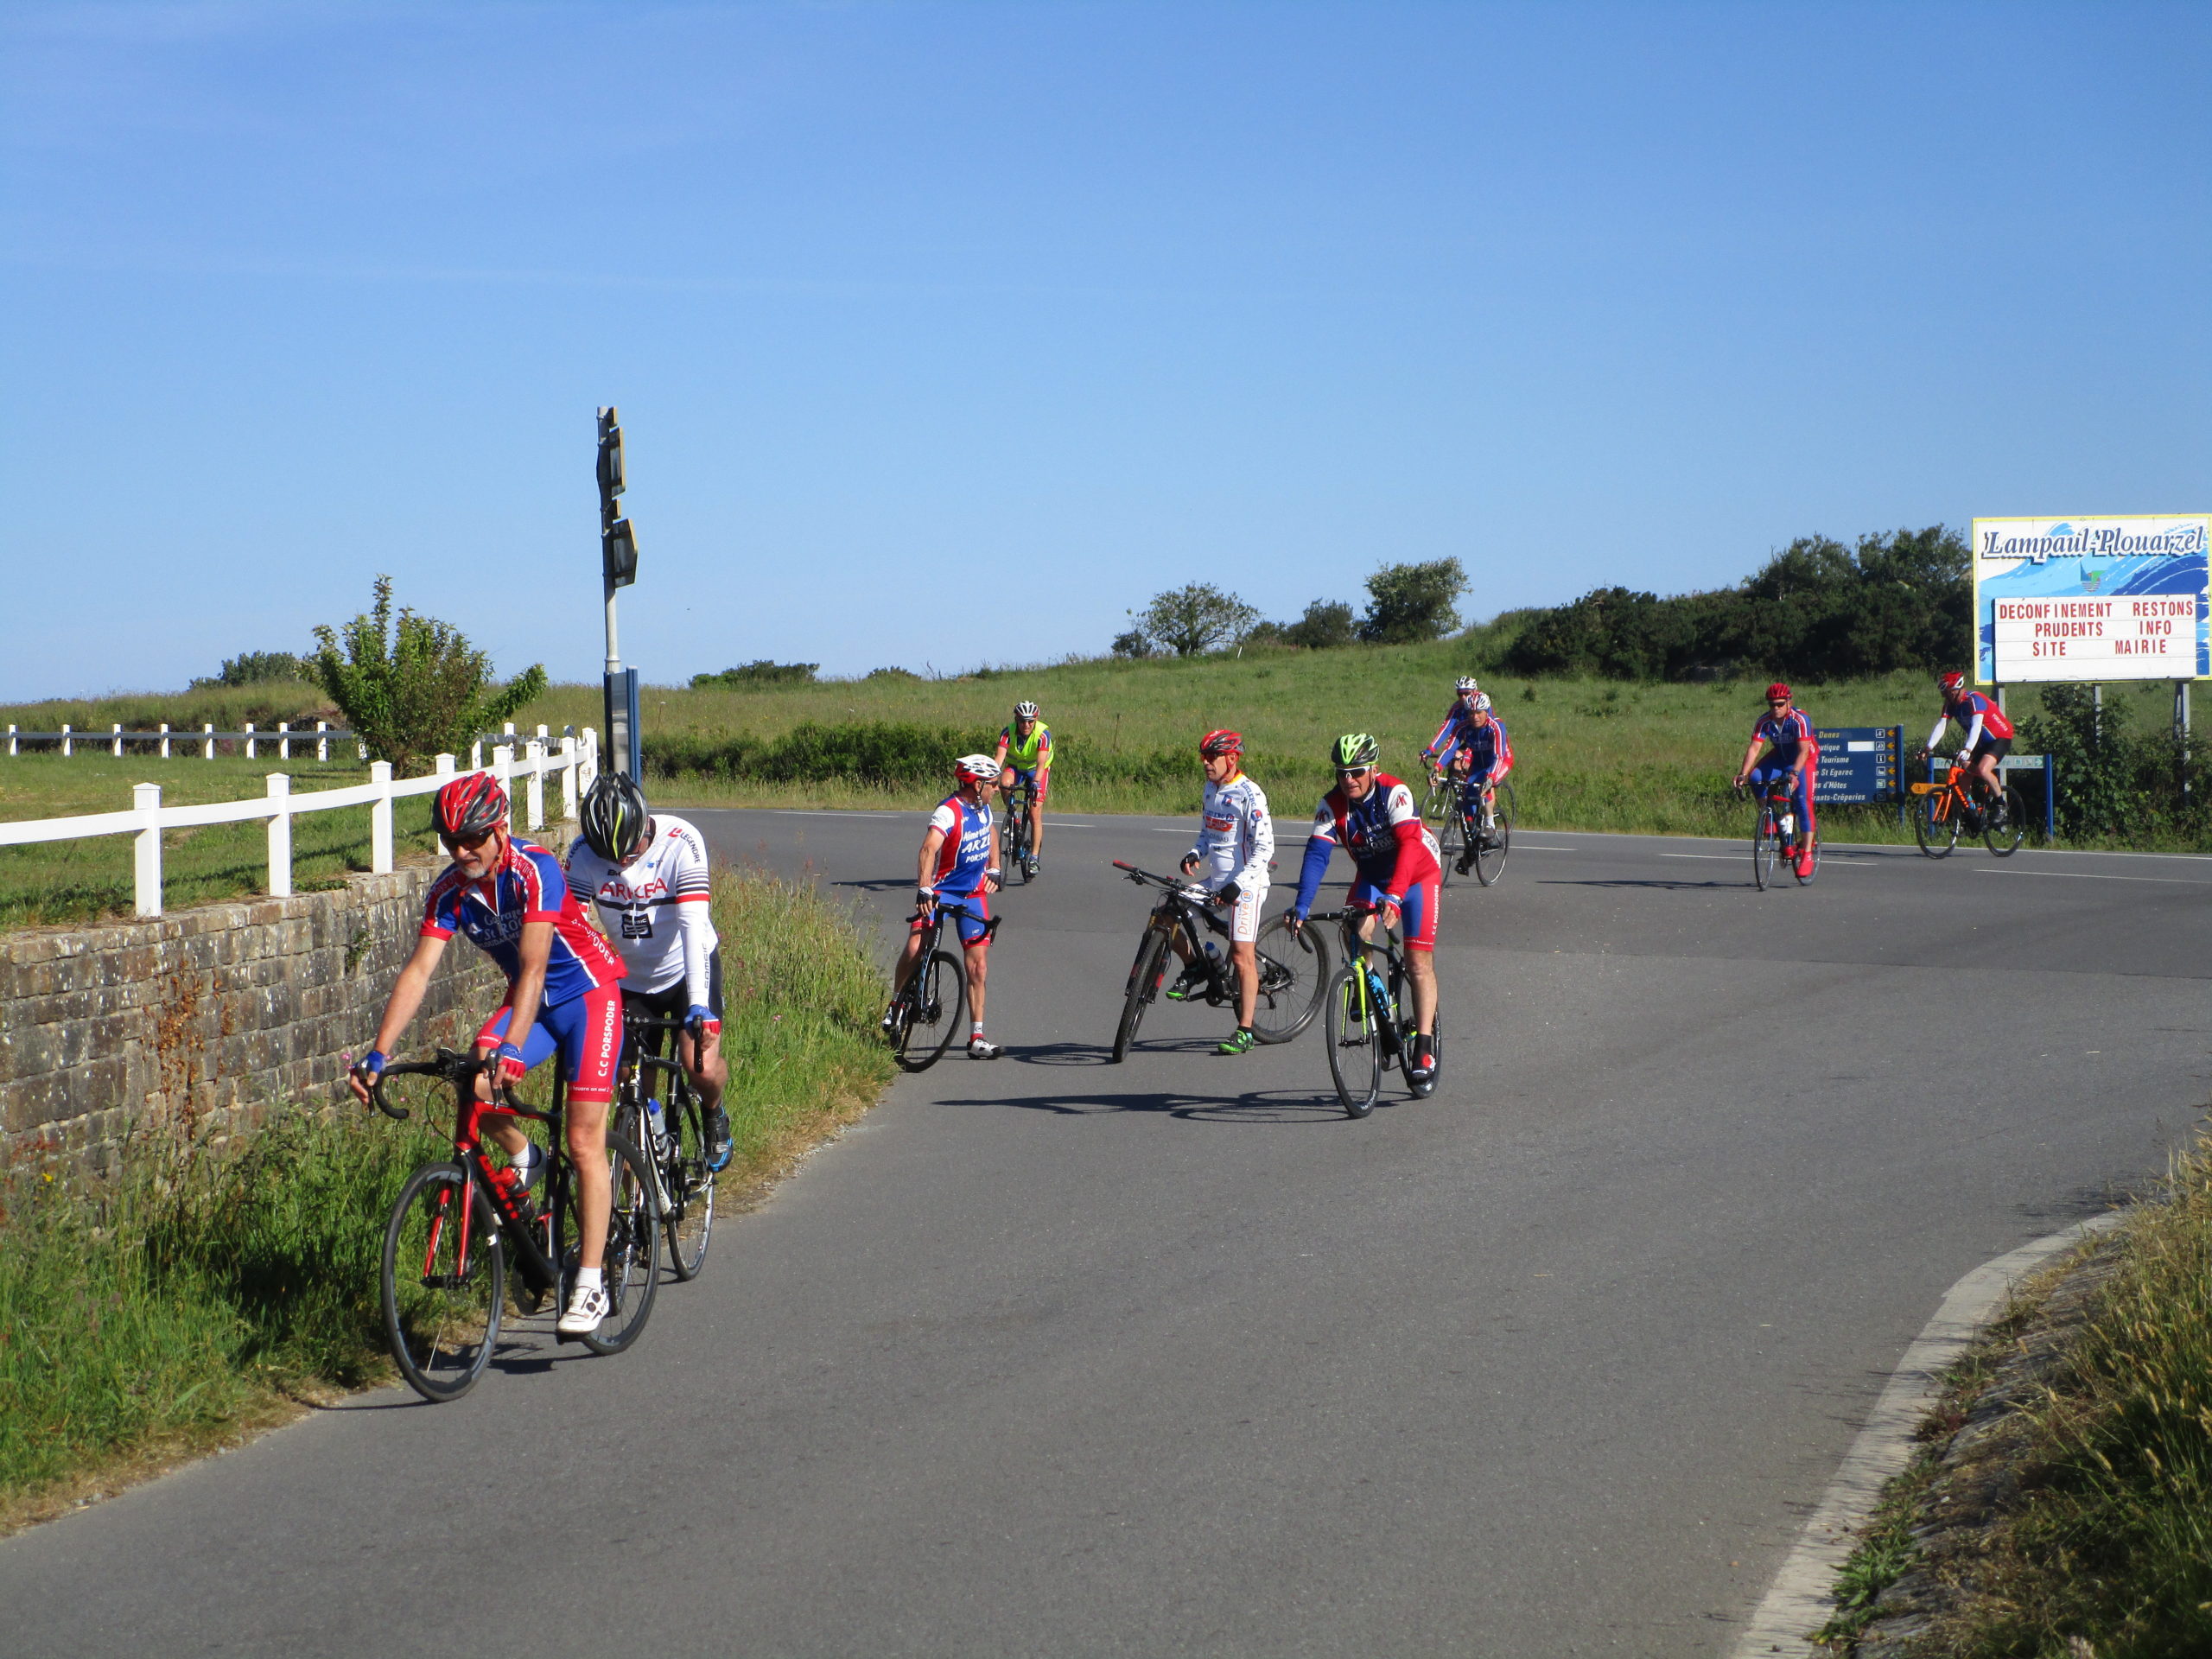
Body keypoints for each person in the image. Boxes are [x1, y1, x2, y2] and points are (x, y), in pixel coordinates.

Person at [348, 772, 627, 1336]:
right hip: (534, 1003)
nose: (461, 851)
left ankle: (591, 1283)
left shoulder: (536, 869)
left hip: (588, 996)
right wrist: (377, 1054)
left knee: (582, 1138)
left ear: (500, 829)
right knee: (473, 1078)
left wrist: (516, 1047)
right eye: (451, 840)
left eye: (473, 837)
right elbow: (419, 970)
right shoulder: (450, 890)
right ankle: (527, 1159)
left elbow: (533, 966)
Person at [567, 771, 733, 1172]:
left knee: (701, 1066)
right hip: (629, 980)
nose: (622, 865)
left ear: (644, 825)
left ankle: (715, 1113)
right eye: (611, 858)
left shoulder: (682, 841)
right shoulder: (582, 854)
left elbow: (694, 926)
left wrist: (697, 1005)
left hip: (684, 969)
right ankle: (646, 1172)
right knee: (629, 1081)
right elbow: (572, 930)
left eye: (630, 852)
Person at [1287, 734, 1445, 1083]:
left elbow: (1408, 846)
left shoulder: (1395, 792)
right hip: (1373, 875)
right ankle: (1371, 991)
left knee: (1418, 963)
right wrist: (1301, 906)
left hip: (1418, 875)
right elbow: (1317, 854)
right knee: (1352, 929)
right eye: (1342, 773)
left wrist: (1396, 896)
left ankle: (1424, 1044)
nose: (1349, 780)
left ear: (1373, 768)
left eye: (1357, 771)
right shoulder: (1331, 805)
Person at [885, 753, 1006, 1059]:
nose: (997, 789)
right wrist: (924, 887)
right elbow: (928, 848)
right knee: (915, 947)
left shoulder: (984, 807)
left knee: (978, 966)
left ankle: (977, 1037)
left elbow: (991, 831)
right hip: (940, 892)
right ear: (977, 785)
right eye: (992, 784)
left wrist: (994, 865)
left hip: (974, 894)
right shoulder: (948, 812)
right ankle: (896, 1004)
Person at [1166, 729, 1274, 1055]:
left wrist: (1238, 885)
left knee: (1242, 955)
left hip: (1247, 884)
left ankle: (1245, 1031)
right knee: (1166, 913)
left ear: (1232, 758)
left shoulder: (1250, 794)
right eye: (1203, 756)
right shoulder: (1210, 789)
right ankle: (1197, 966)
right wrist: (1195, 853)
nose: (1205, 762)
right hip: (1216, 881)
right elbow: (1206, 832)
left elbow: (1265, 848)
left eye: (1211, 757)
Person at [1734, 683, 1819, 878]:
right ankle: (1769, 815)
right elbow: (1755, 747)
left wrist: (1795, 774)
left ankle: (1806, 854)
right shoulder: (1764, 721)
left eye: (1780, 704)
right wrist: (1743, 773)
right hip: (1780, 757)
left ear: (1789, 701)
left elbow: (1804, 750)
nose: (1776, 708)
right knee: (1756, 777)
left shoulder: (1800, 719)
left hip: (1804, 759)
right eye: (1772, 705)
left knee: (1802, 802)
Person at [1427, 693, 1514, 874]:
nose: (1474, 717)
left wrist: (1490, 778)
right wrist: (1437, 768)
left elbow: (1498, 756)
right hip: (1478, 763)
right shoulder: (1463, 726)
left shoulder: (1496, 726)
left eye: (1479, 713)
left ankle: (1489, 824)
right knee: (1468, 802)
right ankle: (1472, 844)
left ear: (1486, 711)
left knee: (1486, 785)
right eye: (1471, 713)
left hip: (1499, 761)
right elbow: (1450, 748)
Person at [1920, 671, 2015, 821]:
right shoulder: (1950, 705)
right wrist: (1928, 748)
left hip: (2000, 738)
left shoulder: (1974, 700)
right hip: (1981, 742)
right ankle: (1970, 812)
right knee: (1964, 773)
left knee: (1983, 770)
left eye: (1946, 692)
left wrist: (1968, 749)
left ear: (1955, 691)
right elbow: (1941, 725)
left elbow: (1976, 727)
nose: (1944, 696)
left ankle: (2001, 805)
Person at [991, 700, 1053, 879]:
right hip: (1016, 766)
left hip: (1037, 769)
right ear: (1016, 719)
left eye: (1030, 721)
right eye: (1022, 721)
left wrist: (1035, 782)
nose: (1026, 725)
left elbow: (1042, 762)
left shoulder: (1043, 734)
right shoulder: (1007, 732)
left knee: (1034, 812)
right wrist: (992, 780)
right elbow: (999, 759)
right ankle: (1013, 817)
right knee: (1004, 782)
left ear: (1036, 720)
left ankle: (1033, 858)